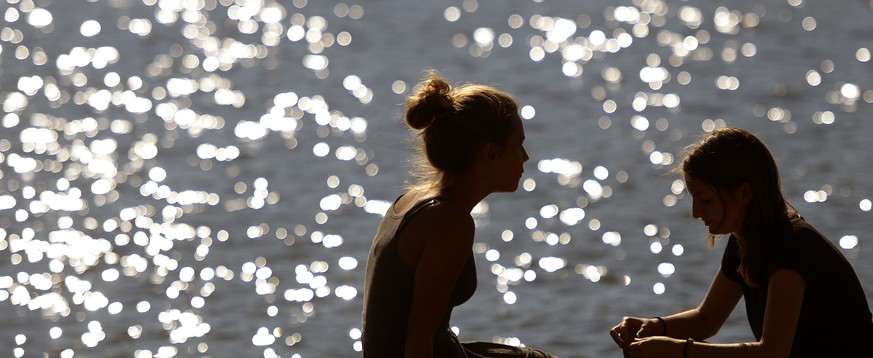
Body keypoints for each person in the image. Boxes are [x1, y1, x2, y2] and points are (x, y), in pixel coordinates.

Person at [610, 127, 873, 357]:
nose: (695, 212)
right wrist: (655, 326)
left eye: (705, 200)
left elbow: (771, 353)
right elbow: (706, 319)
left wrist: (681, 352)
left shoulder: (790, 248)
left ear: (744, 193)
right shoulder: (745, 241)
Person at [362, 71, 556, 358]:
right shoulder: (448, 222)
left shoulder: (412, 200)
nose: (525, 157)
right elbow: (418, 340)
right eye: (518, 145)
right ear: (490, 153)